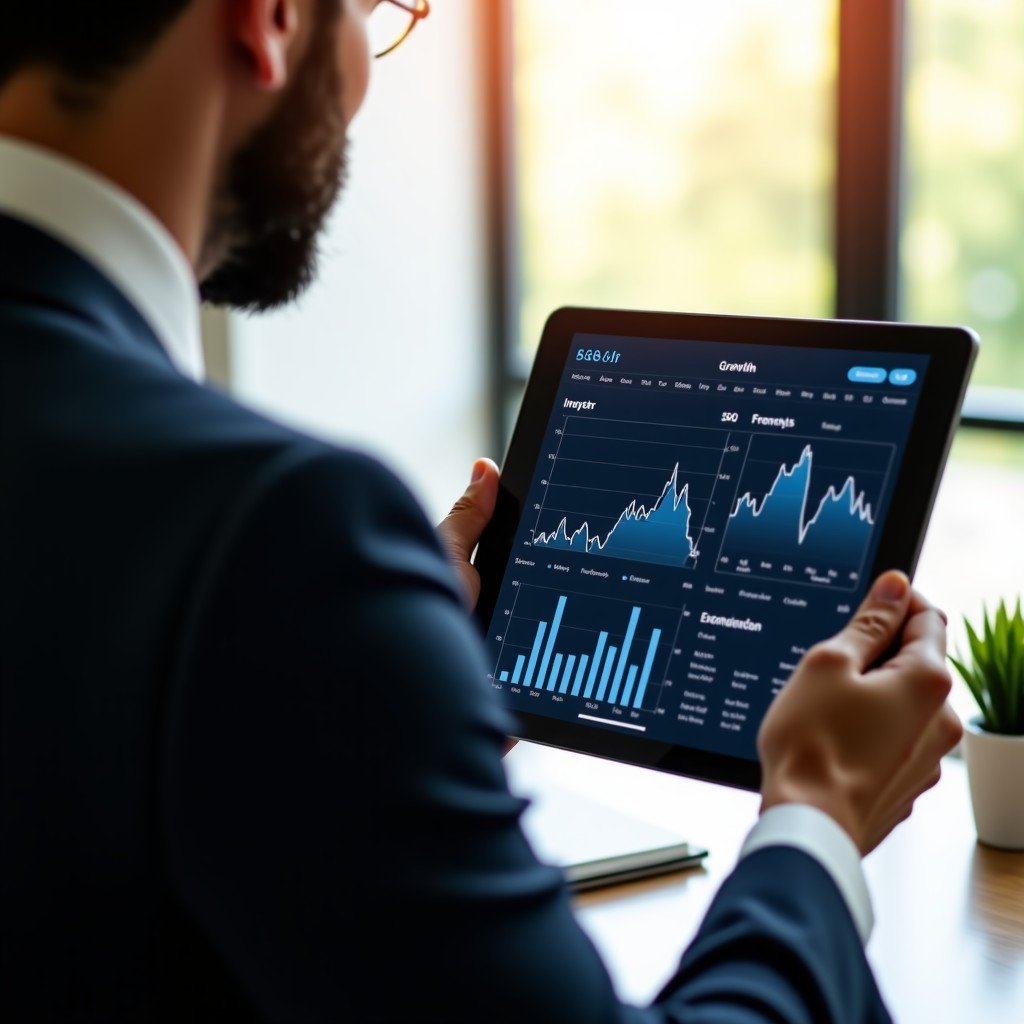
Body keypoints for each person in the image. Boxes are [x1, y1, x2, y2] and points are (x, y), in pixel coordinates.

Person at [0, 2, 962, 1021]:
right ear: (270, 18)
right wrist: (816, 814)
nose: (366, 78)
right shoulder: (276, 531)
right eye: (374, 12)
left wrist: (389, 690)